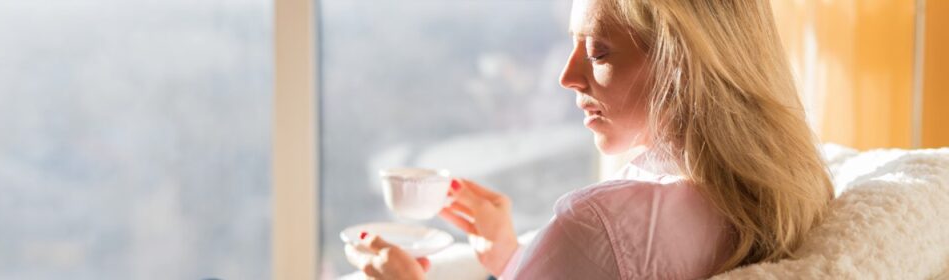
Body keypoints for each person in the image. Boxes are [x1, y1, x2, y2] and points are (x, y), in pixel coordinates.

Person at [351, 0, 834, 278]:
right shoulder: (784, 191)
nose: (568, 75)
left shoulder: (598, 226)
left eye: (599, 52)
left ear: (682, 66)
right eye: (573, 44)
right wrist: (512, 259)